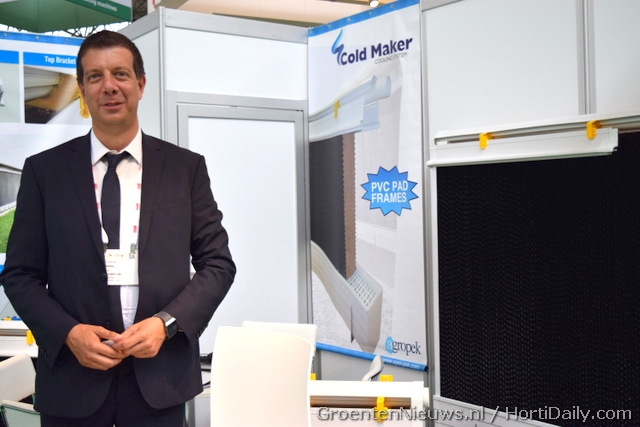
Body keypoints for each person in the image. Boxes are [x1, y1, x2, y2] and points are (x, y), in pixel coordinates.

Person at [0, 30, 236, 426]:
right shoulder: (45, 172)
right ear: (82, 90)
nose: (109, 86)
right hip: (72, 382)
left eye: (120, 74)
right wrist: (69, 333)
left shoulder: (184, 169)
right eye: (95, 76)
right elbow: (21, 274)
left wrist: (166, 324)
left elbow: (218, 264)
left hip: (159, 381)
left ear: (140, 84)